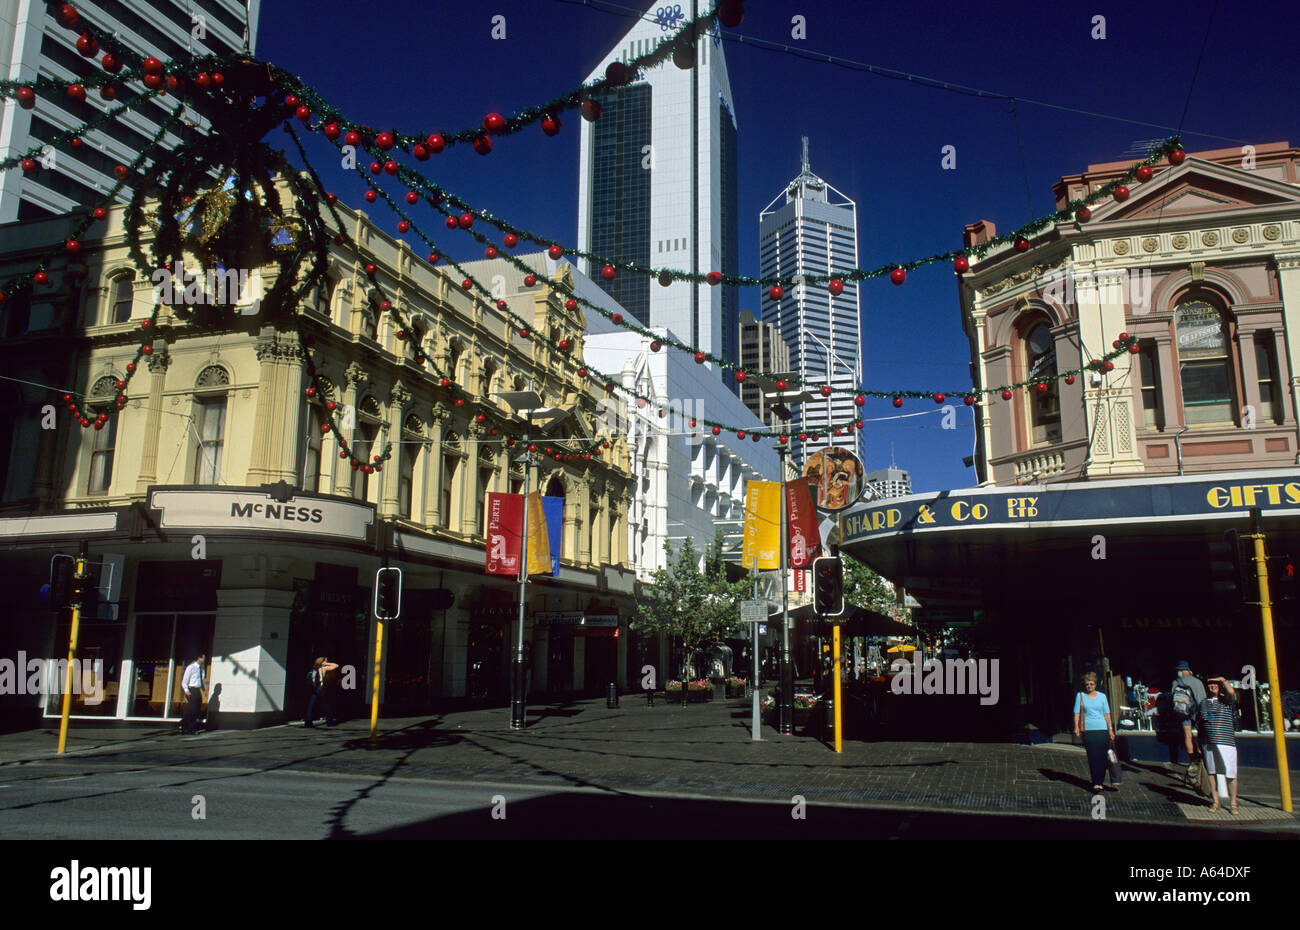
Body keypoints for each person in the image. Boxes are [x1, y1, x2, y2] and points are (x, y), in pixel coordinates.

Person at [1199, 676, 1239, 814]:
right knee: (1211, 772)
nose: (1213, 686)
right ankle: (1215, 802)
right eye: (1210, 684)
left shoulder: (1226, 700)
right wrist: (1199, 743)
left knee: (1230, 773)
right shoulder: (1203, 703)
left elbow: (1232, 692)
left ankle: (1233, 803)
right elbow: (1201, 724)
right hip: (1208, 742)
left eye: (1216, 684)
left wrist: (1223, 680)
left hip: (1226, 742)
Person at [1073, 671, 1116, 793]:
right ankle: (1096, 783)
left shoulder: (1102, 696)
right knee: (1093, 757)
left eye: (1091, 684)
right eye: (1087, 684)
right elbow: (1077, 713)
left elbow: (1106, 713)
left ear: (1096, 684)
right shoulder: (1080, 696)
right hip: (1088, 730)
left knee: (1102, 757)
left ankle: (1101, 781)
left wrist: (1111, 729)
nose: (1089, 686)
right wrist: (1076, 727)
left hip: (1102, 729)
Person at [1170, 660, 1207, 782]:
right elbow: (1203, 700)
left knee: (1188, 735)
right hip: (1197, 712)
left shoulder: (1176, 682)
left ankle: (1192, 760)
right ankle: (1202, 759)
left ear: (1180, 671)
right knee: (1201, 736)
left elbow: (1172, 699)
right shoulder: (1197, 682)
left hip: (1183, 713)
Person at [305, 656, 338, 727]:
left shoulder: (313, 669)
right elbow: (336, 665)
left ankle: (308, 721)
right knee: (327, 704)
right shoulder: (323, 668)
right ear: (322, 662)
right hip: (322, 688)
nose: (326, 662)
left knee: (311, 705)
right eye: (325, 661)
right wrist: (326, 663)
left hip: (314, 689)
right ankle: (329, 722)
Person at [179, 653, 206, 734]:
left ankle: (184, 725)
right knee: (193, 710)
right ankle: (190, 728)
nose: (204, 660)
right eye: (203, 658)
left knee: (196, 710)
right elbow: (185, 680)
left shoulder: (200, 668)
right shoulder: (191, 667)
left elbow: (200, 680)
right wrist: (186, 690)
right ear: (199, 658)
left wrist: (204, 690)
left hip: (197, 690)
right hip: (191, 690)